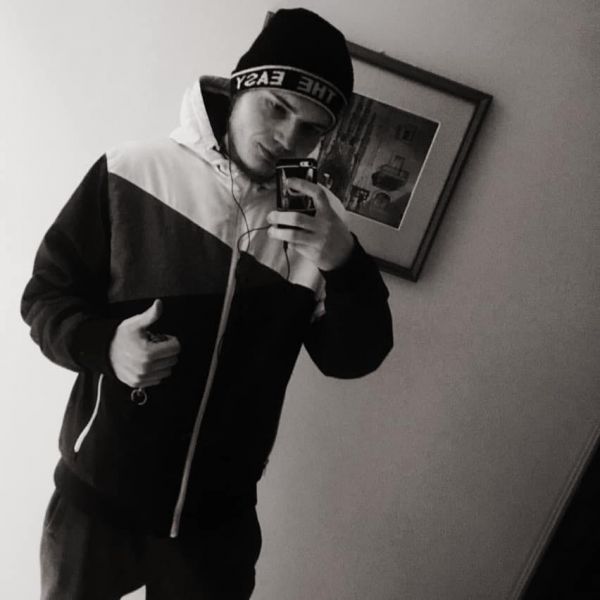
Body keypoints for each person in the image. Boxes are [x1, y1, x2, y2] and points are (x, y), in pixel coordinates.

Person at [21, 8, 393, 599]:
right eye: (276, 107)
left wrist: (344, 261)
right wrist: (106, 345)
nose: (286, 138)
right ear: (240, 87)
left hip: (216, 526)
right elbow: (45, 296)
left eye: (311, 129)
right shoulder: (132, 171)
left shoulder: (320, 225)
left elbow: (353, 357)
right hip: (97, 500)